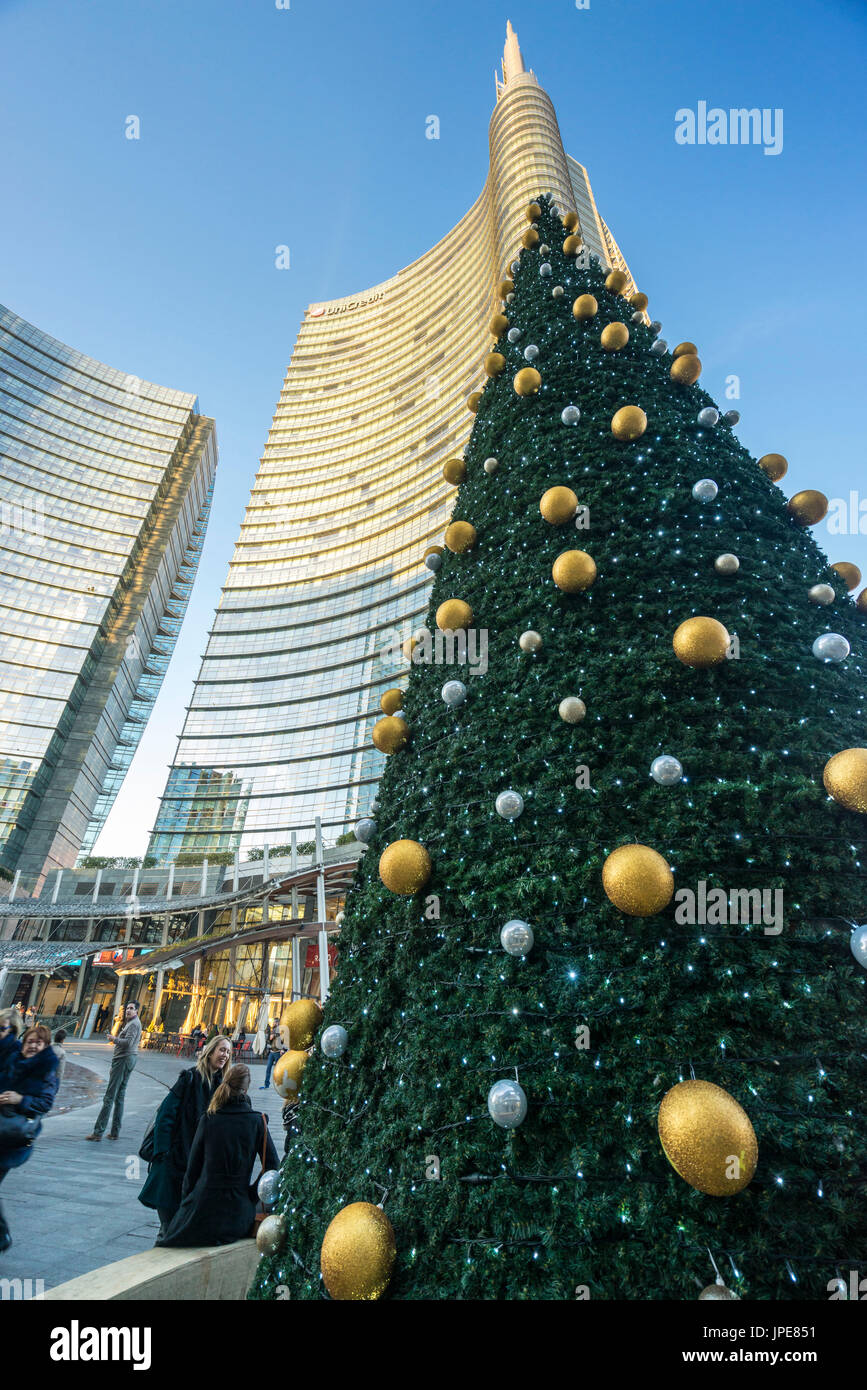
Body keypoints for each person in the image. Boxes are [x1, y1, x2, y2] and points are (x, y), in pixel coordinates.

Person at [156, 1063, 278, 1248]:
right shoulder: (257, 1121)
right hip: (237, 1213)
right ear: (246, 1089)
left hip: (202, 1211)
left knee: (167, 1241)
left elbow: (193, 1169)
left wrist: (188, 1201)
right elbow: (272, 1166)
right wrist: (250, 1195)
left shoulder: (209, 1119)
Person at [138, 1034, 232, 1235]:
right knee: (169, 1220)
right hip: (175, 1159)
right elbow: (165, 1115)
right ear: (210, 1051)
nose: (225, 1055)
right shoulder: (190, 1078)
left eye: (228, 1052)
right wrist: (162, 1152)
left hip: (197, 1162)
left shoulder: (222, 1087)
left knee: (184, 1220)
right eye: (222, 1049)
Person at [0, 1024, 59, 1254]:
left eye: (38, 1042)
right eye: (29, 1042)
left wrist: (19, 1099)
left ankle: (2, 1235)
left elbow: (44, 1104)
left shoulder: (47, 1070)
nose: (32, 1046)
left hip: (13, 1139)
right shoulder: (11, 1062)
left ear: (45, 1046)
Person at [85, 1000, 142, 1141]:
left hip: (123, 1059)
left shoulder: (134, 1024)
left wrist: (114, 1039)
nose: (128, 1010)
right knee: (119, 1096)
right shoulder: (132, 1023)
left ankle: (98, 1132)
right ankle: (115, 1131)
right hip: (127, 1059)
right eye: (127, 1008)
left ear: (136, 1011)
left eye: (131, 1008)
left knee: (110, 1096)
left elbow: (128, 1043)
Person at [260, 1025, 284, 1090]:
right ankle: (266, 1084)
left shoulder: (280, 1035)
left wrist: (282, 1049)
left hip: (277, 1053)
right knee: (268, 1068)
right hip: (271, 1052)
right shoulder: (271, 1034)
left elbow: (283, 1042)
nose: (273, 1031)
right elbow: (268, 1042)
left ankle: (279, 1084)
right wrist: (270, 1038)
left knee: (278, 1069)